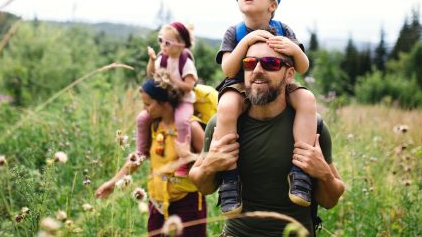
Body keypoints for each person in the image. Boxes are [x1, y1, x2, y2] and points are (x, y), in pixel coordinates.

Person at [189, 42, 345, 236]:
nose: (257, 70)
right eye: (249, 63)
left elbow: (330, 201)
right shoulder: (222, 124)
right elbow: (202, 186)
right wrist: (209, 166)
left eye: (270, 63)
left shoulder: (313, 127)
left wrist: (323, 174)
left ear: (289, 75)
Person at [214, 0, 318, 215]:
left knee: (306, 98)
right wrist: (246, 44)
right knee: (227, 107)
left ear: (273, 4)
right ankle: (230, 178)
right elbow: (229, 69)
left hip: (276, 82)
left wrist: (293, 48)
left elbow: (302, 67)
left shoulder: (283, 29)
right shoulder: (234, 32)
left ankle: (300, 172)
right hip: (240, 84)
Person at [96, 72, 207, 236]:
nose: (145, 110)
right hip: (157, 204)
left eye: (148, 104)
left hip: (187, 204)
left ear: (165, 103)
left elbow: (213, 160)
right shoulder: (153, 125)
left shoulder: (191, 127)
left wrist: (189, 156)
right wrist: (113, 183)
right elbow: (138, 157)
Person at [136, 22, 198, 176]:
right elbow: (151, 74)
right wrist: (152, 60)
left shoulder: (186, 62)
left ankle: (184, 159)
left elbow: (189, 86)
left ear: (181, 45)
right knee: (143, 118)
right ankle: (141, 151)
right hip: (167, 100)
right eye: (160, 41)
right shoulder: (162, 59)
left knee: (182, 121)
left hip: (183, 100)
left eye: (167, 43)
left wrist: (173, 79)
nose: (163, 45)